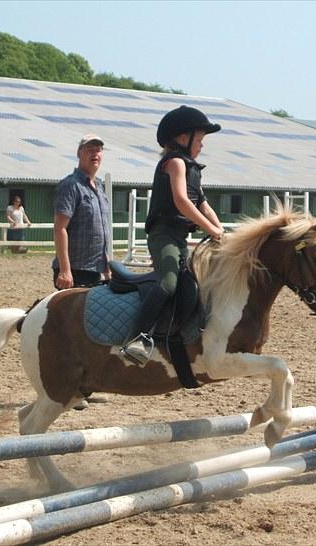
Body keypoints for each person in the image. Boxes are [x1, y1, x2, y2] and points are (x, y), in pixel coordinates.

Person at [121, 106, 224, 365]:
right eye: (199, 140)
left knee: (191, 286)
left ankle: (171, 337)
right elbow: (181, 201)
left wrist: (221, 229)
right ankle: (136, 337)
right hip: (163, 235)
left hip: (179, 238)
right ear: (182, 138)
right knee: (167, 282)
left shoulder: (193, 169)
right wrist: (210, 229)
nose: (201, 145)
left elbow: (201, 203)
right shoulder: (175, 163)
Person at [52, 133, 112, 289]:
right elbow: (60, 228)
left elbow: (102, 230)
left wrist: (106, 265)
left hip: (94, 269)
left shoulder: (99, 187)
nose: (95, 154)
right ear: (79, 153)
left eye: (98, 150)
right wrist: (65, 270)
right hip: (75, 270)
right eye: (90, 150)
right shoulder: (70, 186)